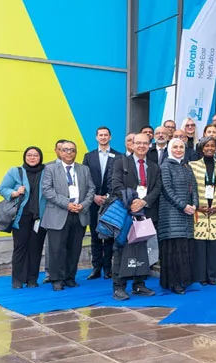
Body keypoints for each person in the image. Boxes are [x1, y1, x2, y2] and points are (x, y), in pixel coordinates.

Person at [110, 133, 160, 300]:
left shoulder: (154, 166)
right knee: (121, 249)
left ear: (149, 145)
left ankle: (139, 284)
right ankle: (119, 287)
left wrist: (144, 202)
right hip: (126, 213)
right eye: (138, 143)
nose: (141, 146)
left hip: (145, 213)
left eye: (145, 143)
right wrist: (133, 201)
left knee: (143, 250)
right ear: (131, 145)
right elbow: (116, 185)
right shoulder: (121, 163)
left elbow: (157, 188)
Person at [40, 140, 95, 291]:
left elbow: (91, 189)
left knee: (74, 248)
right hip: (58, 214)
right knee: (57, 249)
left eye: (72, 150)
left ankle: (70, 277)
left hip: (79, 214)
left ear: (76, 152)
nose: (69, 153)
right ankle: (57, 279)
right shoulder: (50, 169)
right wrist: (67, 204)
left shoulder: (84, 169)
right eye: (65, 150)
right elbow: (47, 190)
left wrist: (83, 205)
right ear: (60, 152)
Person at [0, 146, 48, 289]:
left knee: (36, 248)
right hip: (21, 217)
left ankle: (32, 279)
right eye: (29, 155)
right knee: (20, 248)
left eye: (35, 155)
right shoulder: (16, 171)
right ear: (25, 157)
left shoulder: (47, 172)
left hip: (39, 217)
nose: (32, 158)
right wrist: (14, 193)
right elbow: (2, 188)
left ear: (40, 157)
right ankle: (17, 280)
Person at [158, 138, 197, 294]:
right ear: (169, 149)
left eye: (181, 147)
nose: (179, 150)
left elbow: (194, 188)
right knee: (173, 251)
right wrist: (183, 206)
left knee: (184, 249)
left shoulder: (187, 166)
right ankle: (173, 283)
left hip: (186, 215)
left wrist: (194, 205)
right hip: (171, 216)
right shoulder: (165, 166)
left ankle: (184, 280)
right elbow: (167, 190)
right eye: (175, 147)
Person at [190, 136, 216, 286]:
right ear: (201, 147)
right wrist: (196, 206)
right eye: (207, 146)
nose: (210, 148)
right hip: (199, 211)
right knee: (199, 246)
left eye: (212, 146)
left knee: (215, 246)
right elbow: (190, 188)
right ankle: (200, 276)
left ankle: (213, 276)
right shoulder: (193, 165)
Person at [83, 127, 121, 280]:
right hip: (93, 201)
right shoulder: (89, 156)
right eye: (100, 135)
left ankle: (108, 268)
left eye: (106, 135)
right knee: (95, 235)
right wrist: (94, 196)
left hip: (111, 201)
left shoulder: (119, 156)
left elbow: (119, 179)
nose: (103, 137)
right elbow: (85, 179)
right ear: (96, 137)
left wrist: (109, 196)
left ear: (110, 137)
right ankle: (96, 268)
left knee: (110, 235)